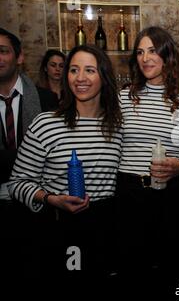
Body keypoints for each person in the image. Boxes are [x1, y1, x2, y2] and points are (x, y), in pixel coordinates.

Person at [8, 44, 123, 278]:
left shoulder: (117, 125)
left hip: (108, 226)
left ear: (104, 76)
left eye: (90, 70)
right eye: (73, 70)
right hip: (62, 225)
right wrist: (51, 199)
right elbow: (17, 183)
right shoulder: (46, 124)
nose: (80, 78)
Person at [116, 26, 179, 282]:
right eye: (140, 52)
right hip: (129, 194)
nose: (145, 58)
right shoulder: (123, 98)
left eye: (152, 51)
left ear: (167, 55)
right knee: (132, 267)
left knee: (173, 267)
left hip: (171, 197)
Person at [0, 28, 60, 277]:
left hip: (37, 210)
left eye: (3, 51)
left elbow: (54, 156)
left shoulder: (47, 101)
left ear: (19, 57)